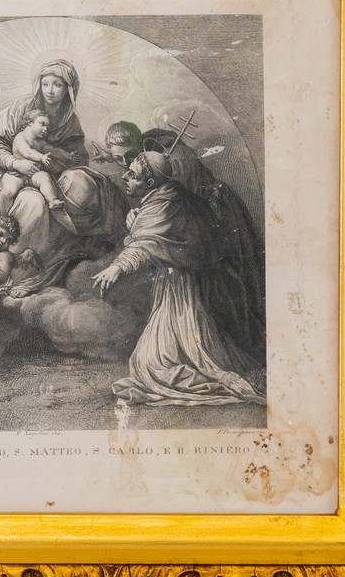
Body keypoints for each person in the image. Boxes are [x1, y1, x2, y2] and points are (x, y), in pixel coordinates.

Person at [92, 151, 264, 405]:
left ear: (151, 183)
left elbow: (146, 246)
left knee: (152, 364)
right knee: (158, 357)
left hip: (180, 289)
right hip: (174, 284)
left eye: (133, 175)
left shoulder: (164, 204)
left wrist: (117, 267)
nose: (125, 177)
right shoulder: (168, 196)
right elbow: (151, 237)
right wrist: (136, 225)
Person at [0, 60, 127, 294]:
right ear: (38, 85)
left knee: (83, 185)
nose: (50, 91)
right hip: (10, 174)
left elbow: (74, 157)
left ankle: (63, 253)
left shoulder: (70, 120)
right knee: (34, 203)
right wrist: (16, 163)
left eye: (58, 85)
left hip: (47, 176)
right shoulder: (21, 109)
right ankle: (15, 269)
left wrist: (62, 162)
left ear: (69, 90)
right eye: (45, 84)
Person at [0, 109, 65, 214]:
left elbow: (53, 150)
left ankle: (52, 201)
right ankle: (2, 216)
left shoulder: (39, 142)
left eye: (47, 127)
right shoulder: (21, 137)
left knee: (45, 178)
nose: (45, 129)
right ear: (30, 122)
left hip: (33, 173)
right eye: (42, 124)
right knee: (8, 191)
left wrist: (68, 156)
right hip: (16, 174)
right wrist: (41, 157)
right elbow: (27, 152)